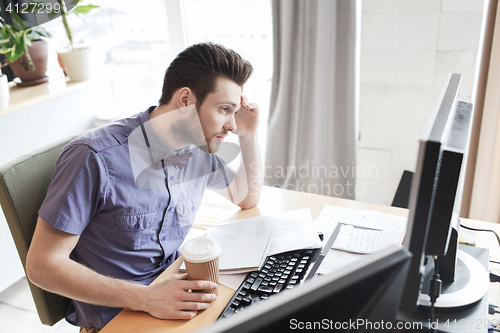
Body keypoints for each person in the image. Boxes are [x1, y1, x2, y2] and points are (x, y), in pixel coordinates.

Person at [25, 43, 263, 331]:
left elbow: (245, 197)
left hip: (175, 297)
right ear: (186, 100)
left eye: (234, 112)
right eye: (225, 109)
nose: (232, 125)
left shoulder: (196, 147)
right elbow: (42, 265)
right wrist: (147, 298)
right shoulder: (95, 158)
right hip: (119, 319)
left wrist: (250, 135)